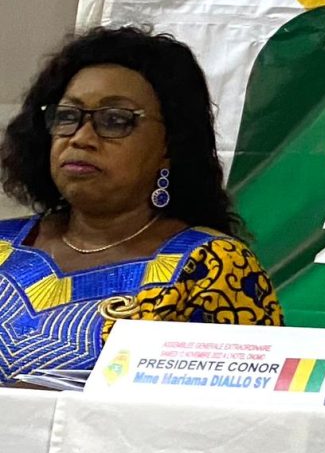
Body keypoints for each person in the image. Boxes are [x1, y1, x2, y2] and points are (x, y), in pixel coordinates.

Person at [0, 26, 284, 386]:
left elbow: (248, 409)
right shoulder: (4, 246)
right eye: (68, 117)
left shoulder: (210, 267)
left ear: (170, 145)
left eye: (115, 120)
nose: (82, 138)